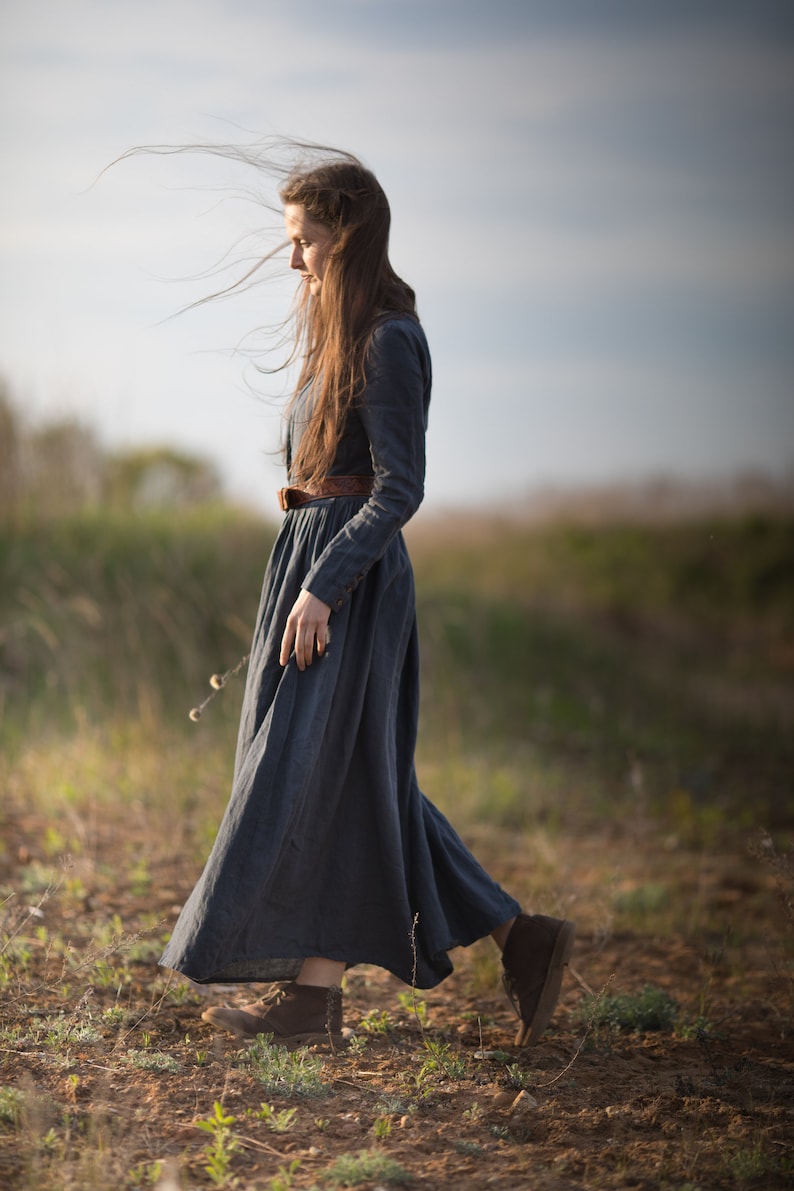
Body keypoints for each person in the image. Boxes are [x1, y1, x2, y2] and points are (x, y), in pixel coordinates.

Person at [158, 145, 575, 1048]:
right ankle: (520, 939)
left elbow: (399, 488)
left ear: (346, 236)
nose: (294, 258)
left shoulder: (390, 338)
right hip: (310, 571)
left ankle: (314, 1004)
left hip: (345, 585)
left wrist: (322, 588)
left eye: (304, 240)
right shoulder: (336, 337)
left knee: (317, 772)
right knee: (352, 775)